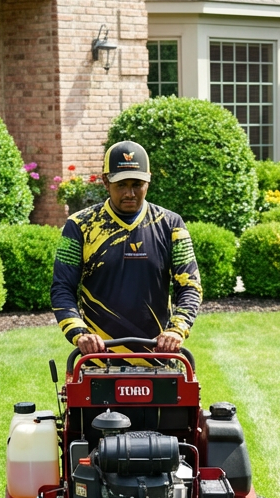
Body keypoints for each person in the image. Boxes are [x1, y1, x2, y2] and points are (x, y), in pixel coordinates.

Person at [51, 140, 202, 355]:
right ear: (105, 182)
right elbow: (62, 287)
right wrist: (79, 333)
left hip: (158, 358)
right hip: (99, 359)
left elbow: (189, 286)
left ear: (148, 182)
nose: (130, 193)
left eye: (137, 184)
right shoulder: (79, 226)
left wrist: (177, 330)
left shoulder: (171, 224)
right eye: (121, 185)